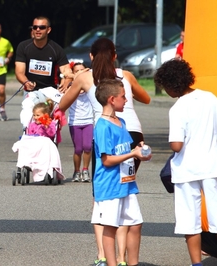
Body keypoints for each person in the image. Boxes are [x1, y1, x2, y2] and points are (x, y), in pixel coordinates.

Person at [59, 38, 151, 266]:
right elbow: (147, 98)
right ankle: (122, 258)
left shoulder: (84, 77)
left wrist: (73, 82)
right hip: (133, 133)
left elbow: (62, 104)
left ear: (90, 56)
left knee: (105, 196)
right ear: (114, 55)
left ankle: (103, 255)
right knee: (126, 191)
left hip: (108, 131)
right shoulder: (126, 76)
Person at [154, 59, 217, 266]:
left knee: (190, 221)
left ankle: (196, 263)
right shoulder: (210, 98)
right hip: (212, 166)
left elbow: (176, 146)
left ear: (172, 85)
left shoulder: (178, 109)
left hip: (187, 170)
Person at [92, 79, 151, 266]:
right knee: (110, 227)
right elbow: (107, 159)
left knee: (135, 224)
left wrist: (138, 150)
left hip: (127, 183)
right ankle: (111, 263)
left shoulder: (122, 121)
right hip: (109, 186)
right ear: (111, 99)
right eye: (123, 97)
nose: (126, 100)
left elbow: (125, 149)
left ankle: (132, 263)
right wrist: (132, 153)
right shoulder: (102, 126)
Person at [15, 16, 72, 92]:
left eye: (42, 27)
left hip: (50, 91)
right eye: (35, 27)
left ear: (48, 30)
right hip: (30, 90)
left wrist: (67, 81)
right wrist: (26, 82)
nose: (38, 30)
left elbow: (66, 71)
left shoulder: (57, 49)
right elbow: (19, 72)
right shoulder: (23, 47)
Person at [67, 62, 93, 182]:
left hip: (89, 121)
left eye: (82, 70)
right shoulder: (70, 86)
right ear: (73, 73)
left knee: (88, 147)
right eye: (76, 71)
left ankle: (85, 170)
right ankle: (76, 171)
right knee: (78, 149)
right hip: (75, 121)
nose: (79, 73)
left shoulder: (90, 85)